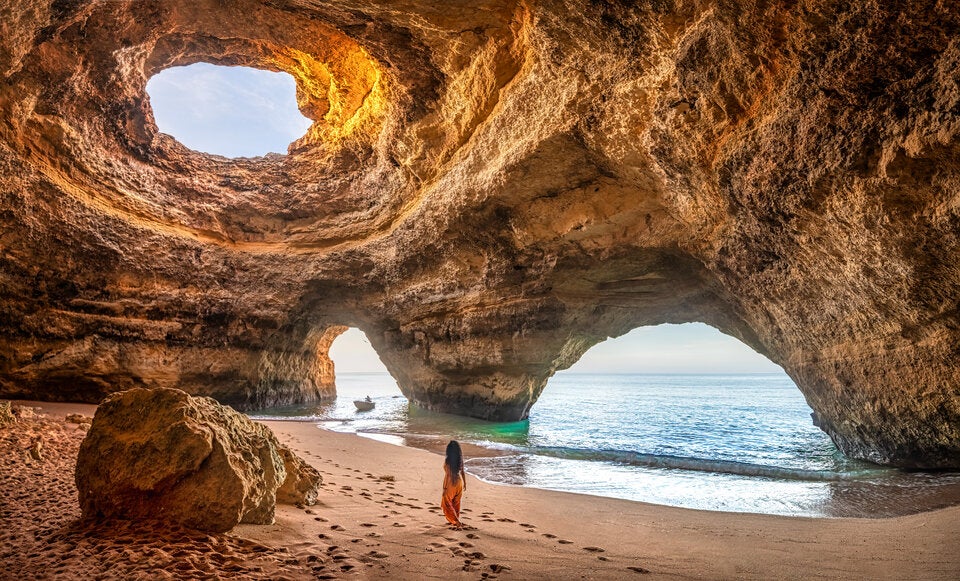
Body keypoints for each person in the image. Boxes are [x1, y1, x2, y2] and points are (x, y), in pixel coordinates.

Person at [441, 440, 466, 528]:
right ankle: (455, 520)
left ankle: (456, 521)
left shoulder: (448, 461)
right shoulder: (460, 460)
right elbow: (462, 472)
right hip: (459, 483)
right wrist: (465, 484)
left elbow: (448, 476)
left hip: (451, 483)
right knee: (456, 503)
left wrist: (444, 488)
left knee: (447, 502)